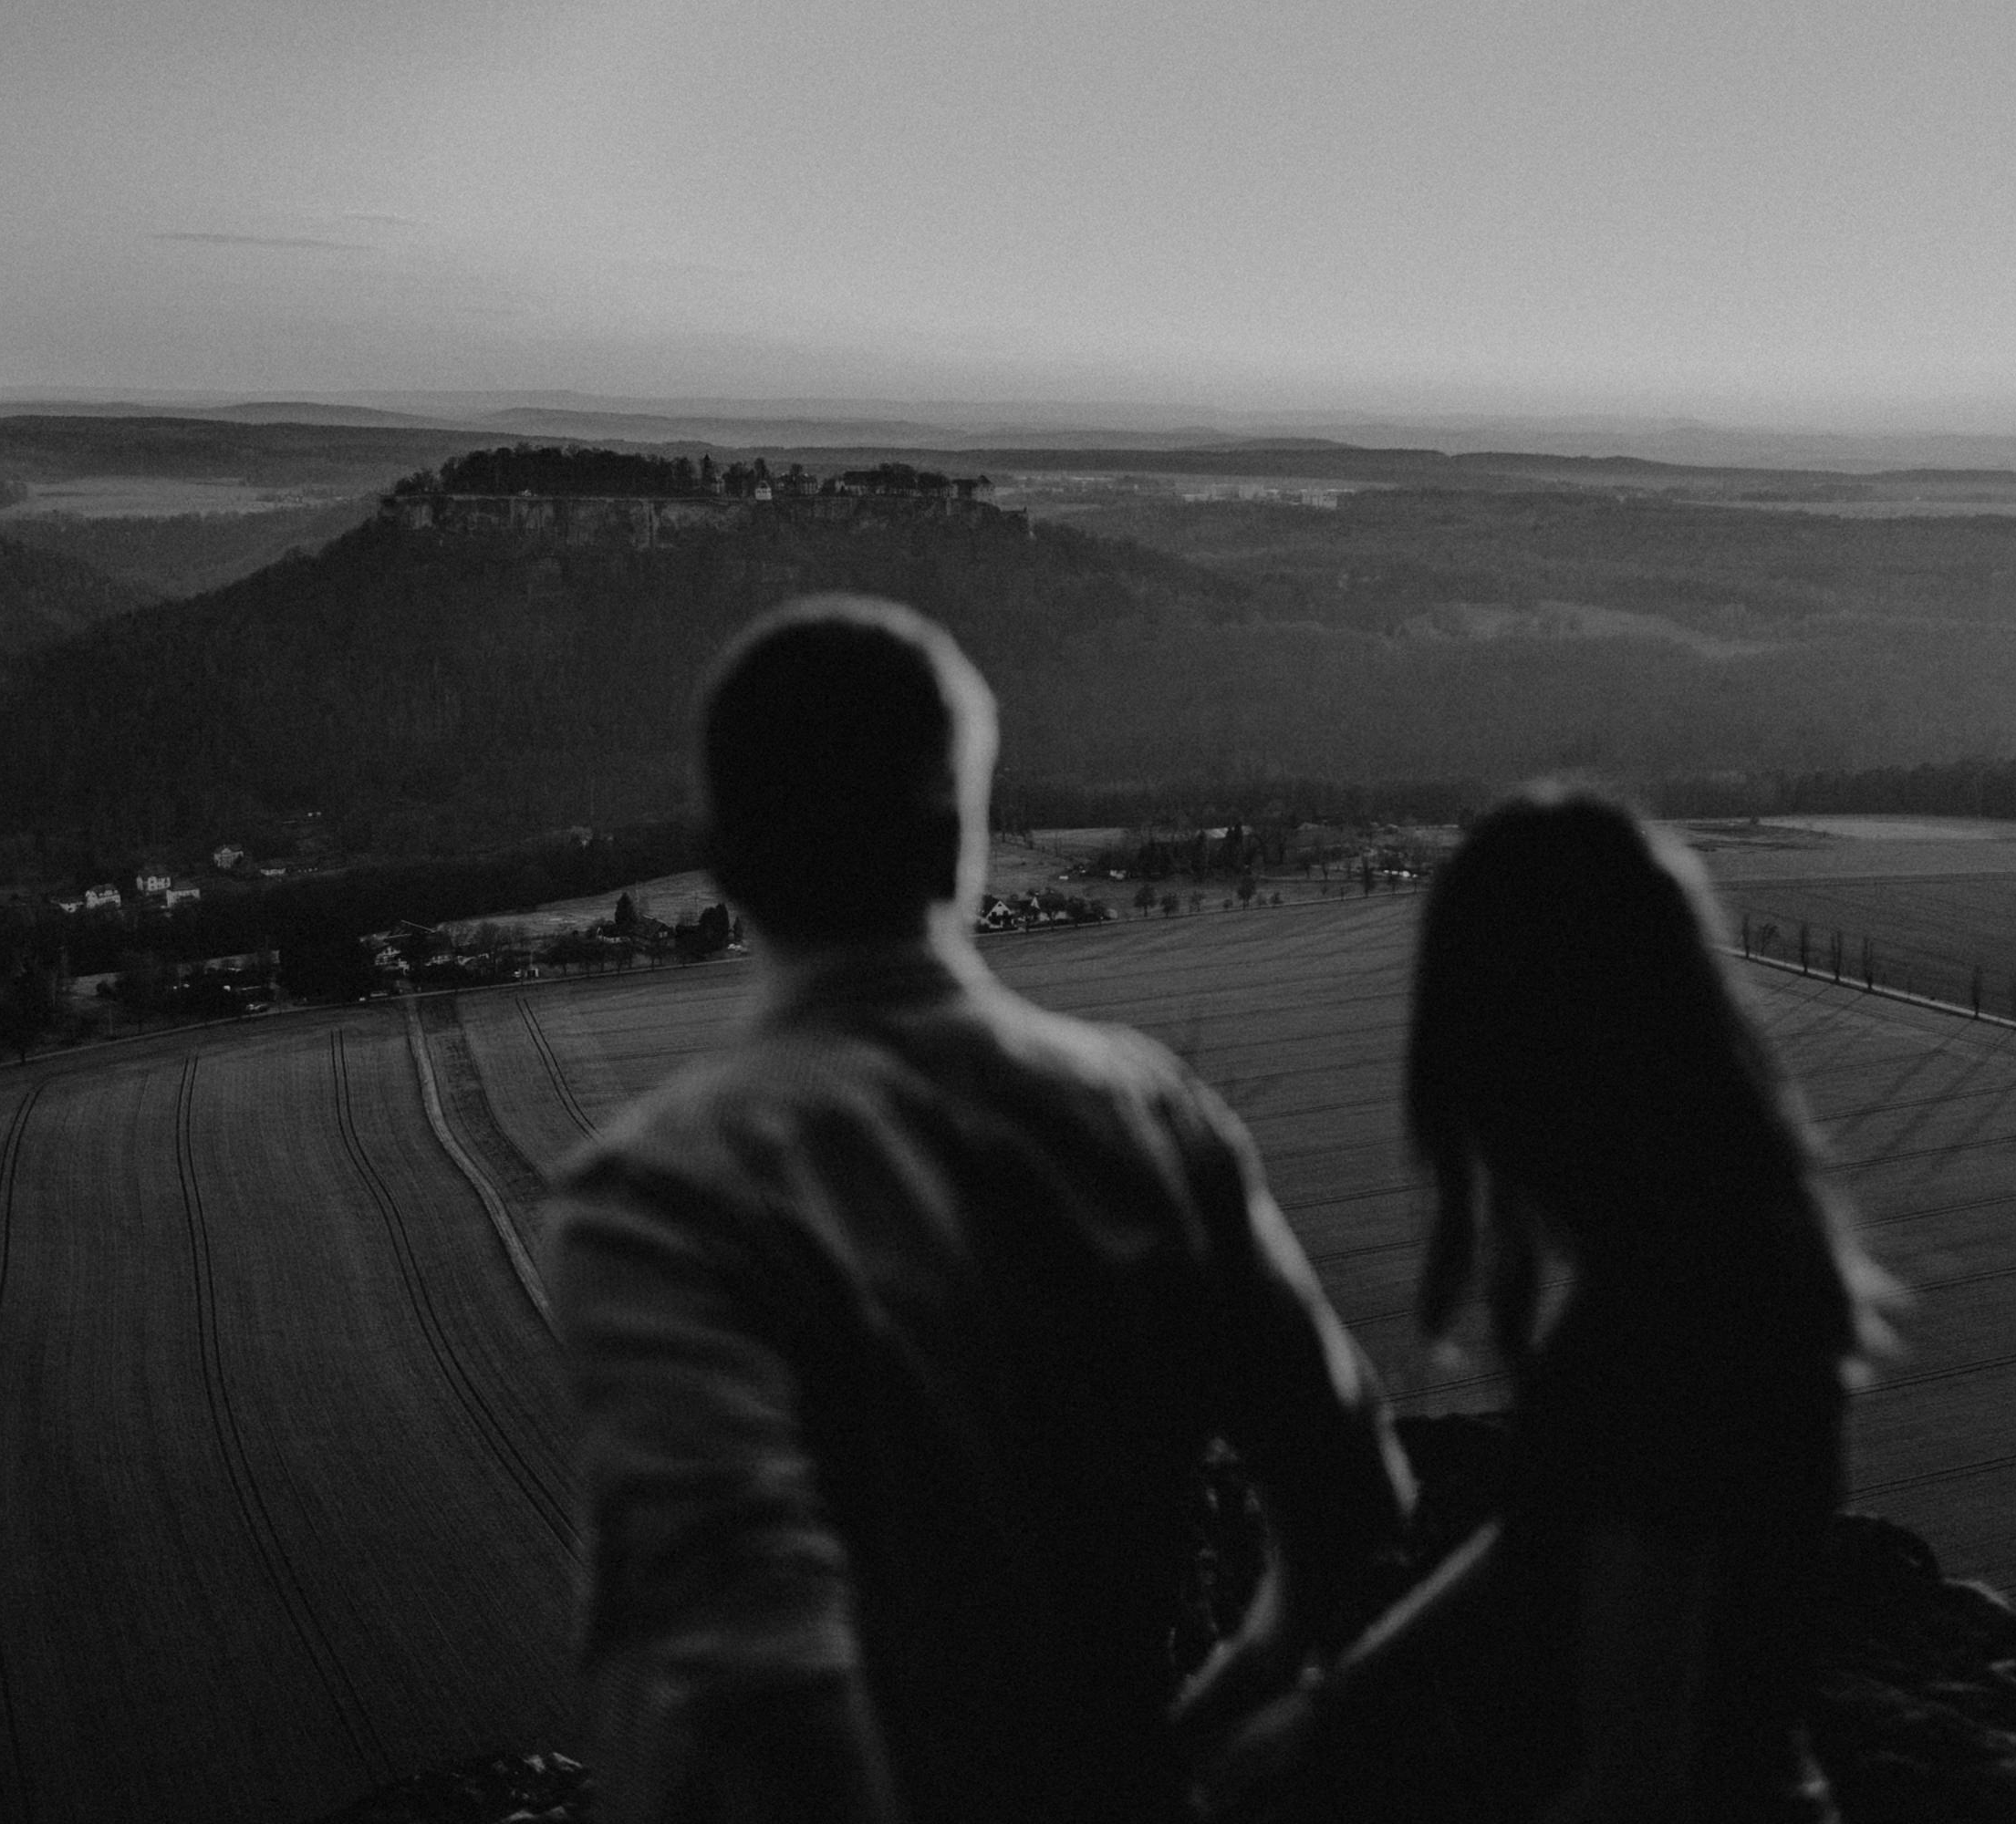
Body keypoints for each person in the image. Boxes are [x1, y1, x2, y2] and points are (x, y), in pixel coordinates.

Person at [545, 596, 1415, 1824]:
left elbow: (745, 1674)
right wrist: (1228, 1703)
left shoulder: (660, 1203)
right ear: (961, 838)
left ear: (725, 859)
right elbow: (1348, 1493)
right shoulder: (1149, 1119)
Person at [1222, 783, 1890, 1823]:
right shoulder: (1725, 1255)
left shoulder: (1665, 1329)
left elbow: (1633, 1789)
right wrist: (1342, 1696)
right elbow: (1552, 1528)